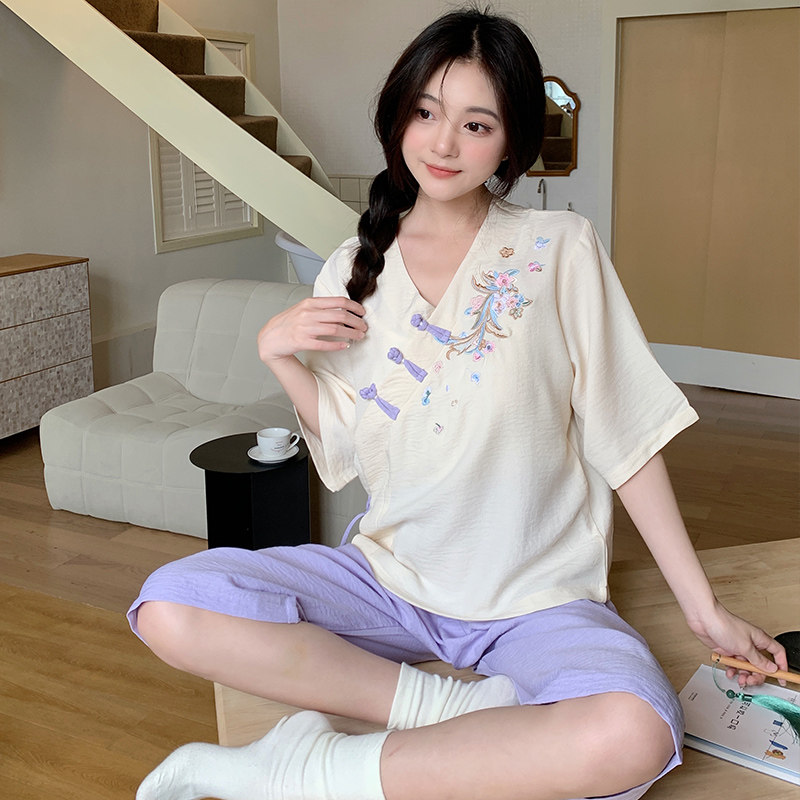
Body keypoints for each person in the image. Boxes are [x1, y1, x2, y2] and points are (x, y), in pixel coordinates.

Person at [128, 7, 787, 800]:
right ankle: (444, 708)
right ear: (398, 116)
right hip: (388, 582)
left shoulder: (558, 248)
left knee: (637, 732)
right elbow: (344, 443)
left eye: (476, 124)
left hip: (537, 601)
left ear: (509, 143)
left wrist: (704, 611)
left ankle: (309, 769)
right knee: (169, 608)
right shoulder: (352, 268)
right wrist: (280, 355)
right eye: (426, 113)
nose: (443, 144)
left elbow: (627, 433)